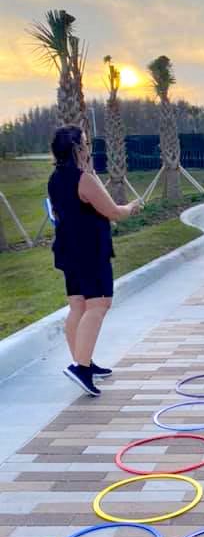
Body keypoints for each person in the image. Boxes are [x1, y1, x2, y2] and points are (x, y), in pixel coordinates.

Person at [48, 125, 143, 396]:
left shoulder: (55, 178)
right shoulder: (83, 180)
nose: (90, 147)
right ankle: (81, 366)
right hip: (90, 250)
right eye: (86, 143)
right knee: (99, 305)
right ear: (78, 148)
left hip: (67, 249)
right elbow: (114, 212)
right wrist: (132, 207)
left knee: (78, 306)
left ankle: (83, 362)